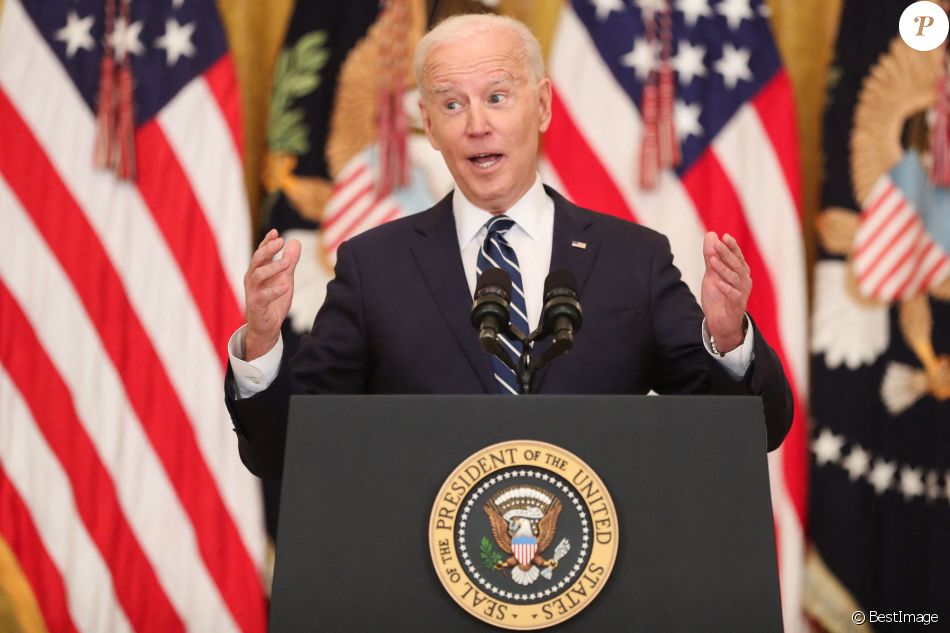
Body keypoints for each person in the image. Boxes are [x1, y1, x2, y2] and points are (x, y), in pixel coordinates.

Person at [224, 14, 793, 480]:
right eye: (452, 105)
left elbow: (755, 433)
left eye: (497, 97)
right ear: (427, 122)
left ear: (542, 105)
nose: (477, 125)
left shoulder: (632, 260)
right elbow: (283, 452)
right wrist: (263, 342)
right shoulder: (375, 267)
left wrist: (729, 339)